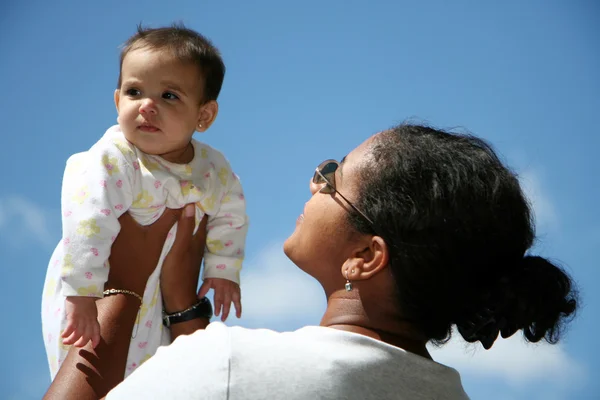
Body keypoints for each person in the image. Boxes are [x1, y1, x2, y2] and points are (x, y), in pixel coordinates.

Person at [45, 123, 578, 400]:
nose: (314, 182)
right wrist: (185, 312)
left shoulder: (229, 366)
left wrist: (125, 283)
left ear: (365, 257)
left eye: (333, 176)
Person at [41, 24, 249, 380]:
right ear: (118, 101)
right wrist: (81, 292)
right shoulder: (113, 157)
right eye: (134, 91)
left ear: (204, 115)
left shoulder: (213, 168)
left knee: (151, 376)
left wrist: (223, 269)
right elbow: (86, 222)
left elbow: (231, 213)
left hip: (162, 301)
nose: (147, 106)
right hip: (96, 284)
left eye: (169, 96)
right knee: (91, 356)